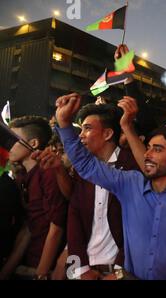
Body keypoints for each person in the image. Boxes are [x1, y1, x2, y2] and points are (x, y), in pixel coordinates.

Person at [54, 93, 166, 280]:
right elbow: (86, 165)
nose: (147, 154)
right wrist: (64, 123)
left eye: (157, 150)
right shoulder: (130, 184)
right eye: (148, 147)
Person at [35, 104, 140, 280]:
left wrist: (121, 273)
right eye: (81, 128)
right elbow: (74, 215)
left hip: (119, 271)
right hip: (83, 268)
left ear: (107, 134)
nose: (81, 135)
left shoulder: (131, 166)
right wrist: (79, 269)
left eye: (88, 129)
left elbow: (138, 226)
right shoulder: (82, 169)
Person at [0, 116, 67, 280]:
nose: (7, 146)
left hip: (46, 268)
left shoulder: (49, 173)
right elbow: (28, 228)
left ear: (34, 143)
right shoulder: (24, 177)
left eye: (13, 140)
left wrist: (41, 274)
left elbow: (57, 226)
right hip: (29, 263)